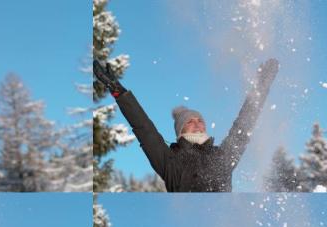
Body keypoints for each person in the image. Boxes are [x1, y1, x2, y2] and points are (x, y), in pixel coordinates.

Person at [93, 58, 279, 192]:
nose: (197, 124)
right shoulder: (171, 162)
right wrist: (119, 92)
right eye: (190, 122)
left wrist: (260, 88)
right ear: (180, 132)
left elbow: (243, 127)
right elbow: (145, 130)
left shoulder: (221, 157)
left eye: (200, 120)